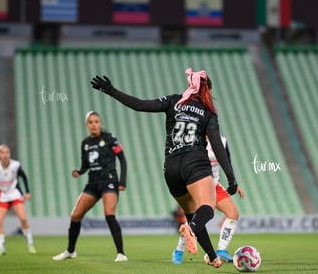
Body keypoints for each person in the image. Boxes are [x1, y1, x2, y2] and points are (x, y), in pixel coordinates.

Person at [91, 68, 240, 268]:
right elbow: (217, 146)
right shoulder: (208, 113)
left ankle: (212, 256)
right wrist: (231, 176)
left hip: (171, 168)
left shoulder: (173, 101)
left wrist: (110, 90)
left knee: (191, 213)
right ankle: (191, 229)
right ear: (207, 91)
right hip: (195, 162)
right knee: (207, 208)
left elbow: (140, 105)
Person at [53, 111, 128, 262]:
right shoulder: (85, 143)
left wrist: (122, 181)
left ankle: (121, 254)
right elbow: (85, 165)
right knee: (75, 216)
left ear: (100, 123)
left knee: (109, 214)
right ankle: (70, 251)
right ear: (87, 125)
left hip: (109, 181)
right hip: (93, 183)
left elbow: (122, 159)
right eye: (91, 122)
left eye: (96, 121)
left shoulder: (110, 138)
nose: (94, 124)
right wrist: (79, 171)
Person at [172, 135, 245, 264]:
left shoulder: (222, 141)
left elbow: (227, 162)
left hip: (215, 184)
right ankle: (179, 250)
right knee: (196, 218)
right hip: (197, 184)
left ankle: (221, 250)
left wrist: (234, 181)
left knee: (233, 214)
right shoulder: (192, 138)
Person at [0, 144, 36, 256]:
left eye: (7, 152)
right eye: (2, 153)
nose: (5, 155)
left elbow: (24, 177)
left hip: (15, 194)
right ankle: (1, 247)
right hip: (3, 196)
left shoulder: (15, 165)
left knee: (23, 219)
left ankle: (30, 243)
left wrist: (27, 192)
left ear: (9, 154)